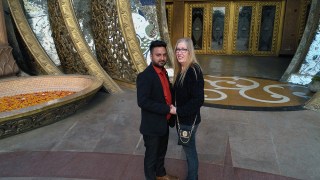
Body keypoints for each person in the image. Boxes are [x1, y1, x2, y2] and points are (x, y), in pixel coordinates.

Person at [136, 40, 179, 180]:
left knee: (161, 152)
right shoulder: (145, 76)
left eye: (164, 55)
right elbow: (143, 102)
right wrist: (167, 108)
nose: (162, 58)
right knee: (151, 157)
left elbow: (166, 92)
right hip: (152, 126)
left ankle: (161, 175)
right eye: (158, 55)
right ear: (151, 56)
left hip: (164, 122)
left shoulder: (164, 72)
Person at [170, 38, 204, 180]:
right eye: (177, 49)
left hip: (188, 120)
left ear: (190, 51)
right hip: (183, 118)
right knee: (189, 148)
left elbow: (198, 100)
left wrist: (178, 111)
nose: (179, 52)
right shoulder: (181, 69)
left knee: (190, 151)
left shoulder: (193, 71)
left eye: (183, 49)